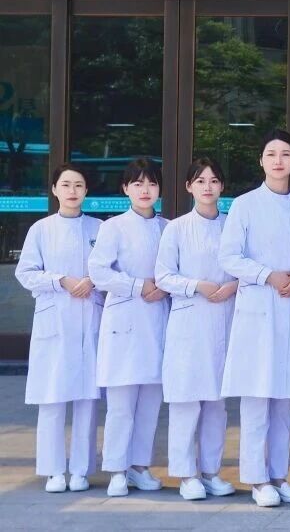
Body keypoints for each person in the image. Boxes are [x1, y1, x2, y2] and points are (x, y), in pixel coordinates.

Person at [218, 129, 290, 507]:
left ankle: (279, 475)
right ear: (261, 161)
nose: (278, 161)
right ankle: (257, 479)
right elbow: (229, 256)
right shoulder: (245, 205)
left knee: (285, 402)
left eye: (285, 154)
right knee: (257, 396)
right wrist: (267, 275)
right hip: (259, 307)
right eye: (271, 154)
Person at [16, 164, 103, 494]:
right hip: (54, 318)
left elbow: (111, 268)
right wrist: (60, 280)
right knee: (52, 398)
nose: (72, 191)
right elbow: (25, 272)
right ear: (54, 190)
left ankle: (80, 469)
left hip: (90, 316)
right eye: (65, 185)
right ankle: (54, 470)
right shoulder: (41, 229)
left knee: (87, 399)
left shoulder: (99, 228)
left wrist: (93, 280)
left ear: (86, 190)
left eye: (78, 185)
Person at [156, 158, 238, 501]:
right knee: (186, 400)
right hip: (189, 320)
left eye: (214, 180)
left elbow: (244, 266)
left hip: (226, 317)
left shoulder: (233, 225)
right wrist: (196, 286)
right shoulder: (176, 228)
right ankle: (186, 474)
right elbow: (163, 276)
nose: (208, 187)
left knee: (217, 404)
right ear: (189, 186)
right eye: (200, 181)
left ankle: (211, 471)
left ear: (222, 187)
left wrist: (233, 286)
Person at [87, 157, 169, 497]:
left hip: (158, 318)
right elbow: (98, 272)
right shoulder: (114, 227)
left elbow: (177, 269)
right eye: (137, 183)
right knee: (121, 404)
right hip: (125, 319)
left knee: (150, 402)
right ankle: (117, 469)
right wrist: (138, 286)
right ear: (125, 189)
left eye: (151, 183)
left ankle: (139, 466)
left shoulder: (168, 227)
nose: (145, 190)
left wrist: (164, 287)